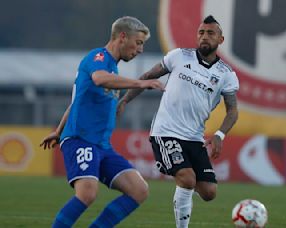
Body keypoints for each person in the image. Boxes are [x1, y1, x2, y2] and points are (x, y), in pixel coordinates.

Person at [40, 16, 164, 227]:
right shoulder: (98, 57)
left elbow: (76, 100)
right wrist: (141, 83)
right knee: (87, 193)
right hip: (81, 140)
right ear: (123, 37)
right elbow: (99, 78)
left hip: (102, 146)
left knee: (139, 190)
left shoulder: (113, 69)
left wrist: (58, 131)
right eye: (139, 42)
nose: (140, 50)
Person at [118, 15, 239, 228]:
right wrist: (125, 100)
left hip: (194, 136)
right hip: (166, 131)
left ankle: (184, 196)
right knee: (187, 178)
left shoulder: (226, 74)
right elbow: (147, 75)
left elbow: (232, 111)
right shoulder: (179, 56)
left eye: (210, 33)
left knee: (209, 192)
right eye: (201, 32)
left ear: (221, 39)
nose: (204, 37)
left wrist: (220, 135)